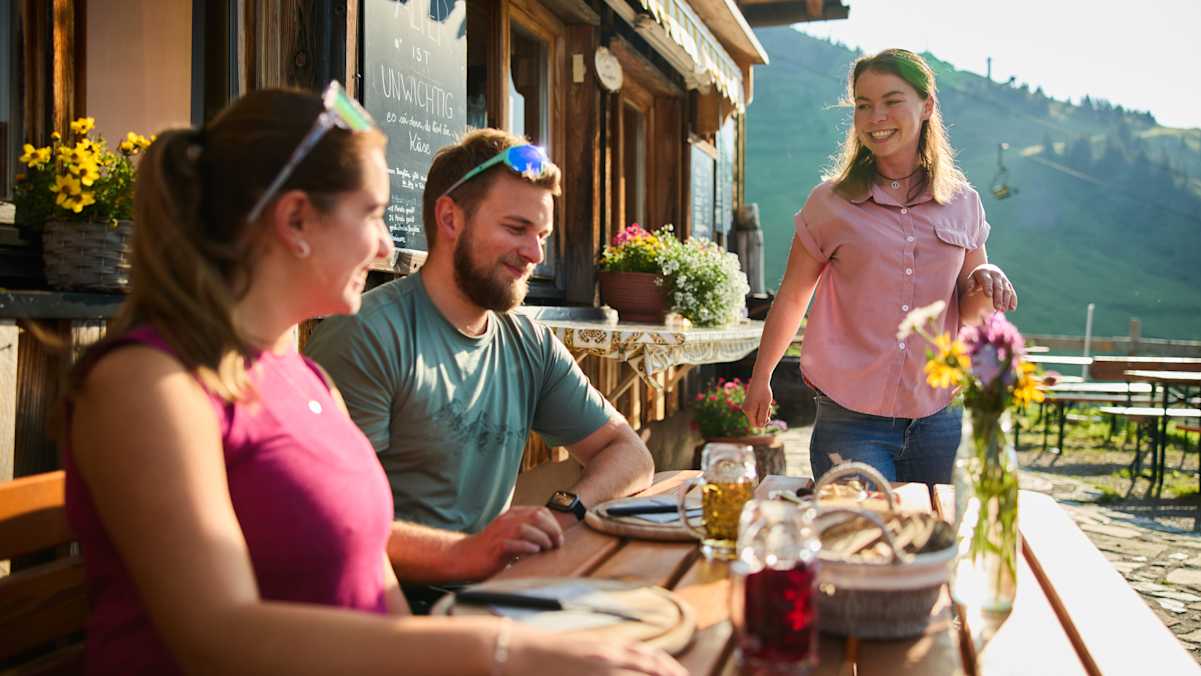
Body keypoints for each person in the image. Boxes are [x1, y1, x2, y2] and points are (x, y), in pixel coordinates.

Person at [63, 85, 683, 676]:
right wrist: (496, 652)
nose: (388, 246)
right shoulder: (148, 385)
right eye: (372, 214)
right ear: (297, 221)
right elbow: (217, 640)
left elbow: (369, 569)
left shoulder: (301, 377)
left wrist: (465, 571)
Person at [304, 129, 656, 611]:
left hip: (493, 595)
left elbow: (629, 453)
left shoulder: (528, 342)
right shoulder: (368, 335)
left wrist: (566, 512)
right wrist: (467, 556)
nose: (535, 254)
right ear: (450, 218)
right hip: (388, 609)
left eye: (542, 236)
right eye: (516, 229)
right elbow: (331, 523)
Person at [742, 49, 1019, 485]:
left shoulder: (963, 203)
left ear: (927, 106)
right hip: (850, 421)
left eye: (891, 101)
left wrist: (990, 277)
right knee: (856, 540)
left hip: (939, 417)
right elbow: (794, 295)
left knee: (933, 541)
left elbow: (968, 313)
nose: (876, 116)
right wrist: (762, 376)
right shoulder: (829, 203)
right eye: (863, 105)